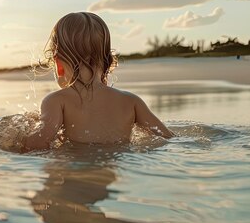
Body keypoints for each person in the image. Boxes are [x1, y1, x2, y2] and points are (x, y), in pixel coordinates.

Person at [24, 12, 174, 150]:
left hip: (74, 172)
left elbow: (38, 144)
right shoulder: (131, 101)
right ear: (108, 61)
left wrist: (18, 136)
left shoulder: (56, 101)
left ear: (58, 64)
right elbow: (167, 137)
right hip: (115, 172)